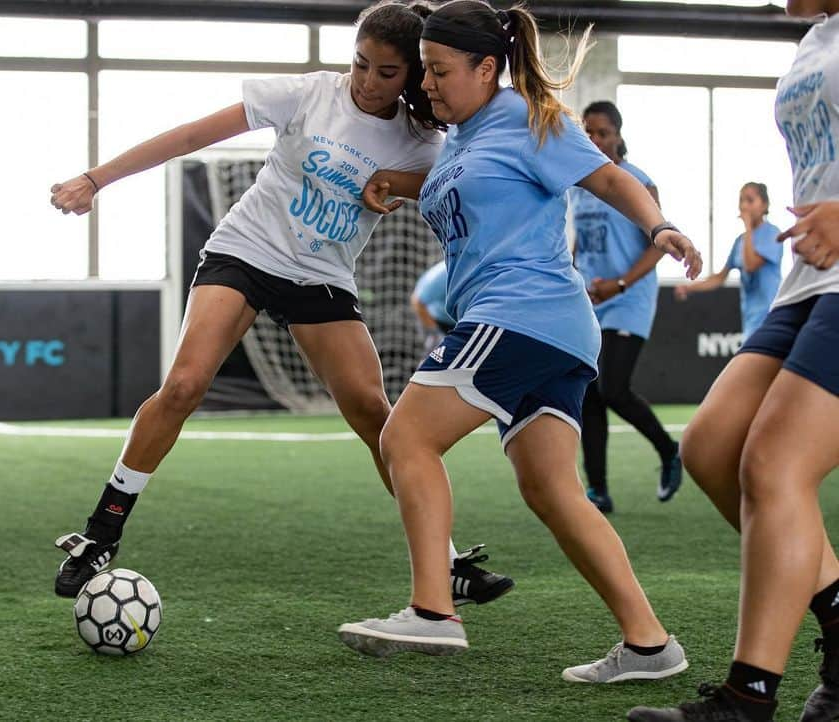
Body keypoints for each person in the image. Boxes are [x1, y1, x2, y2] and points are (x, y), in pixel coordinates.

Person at [47, 0, 512, 608]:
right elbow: (191, 135)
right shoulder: (307, 94)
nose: (368, 82)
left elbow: (466, 184)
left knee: (377, 414)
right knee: (184, 385)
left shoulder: (422, 140)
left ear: (414, 75)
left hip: (321, 276)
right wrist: (96, 178)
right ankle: (102, 533)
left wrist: (397, 185)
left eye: (386, 73)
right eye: (360, 64)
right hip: (245, 252)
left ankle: (445, 562)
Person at [336, 0, 701, 682]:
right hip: (549, 333)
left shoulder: (529, 120)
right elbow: (472, 188)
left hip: (520, 316)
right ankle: (652, 645)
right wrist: (399, 183)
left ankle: (433, 611)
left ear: (487, 67)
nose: (429, 84)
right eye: (425, 72)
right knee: (551, 489)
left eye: (441, 71)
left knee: (404, 438)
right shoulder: (463, 140)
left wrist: (658, 227)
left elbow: (612, 178)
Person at [627, 0, 839, 720]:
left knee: (775, 464)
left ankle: (747, 699)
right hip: (807, 280)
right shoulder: (817, 37)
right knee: (713, 447)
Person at [570, 100, 682, 515]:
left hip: (629, 299)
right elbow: (580, 243)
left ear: (618, 135)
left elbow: (661, 246)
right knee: (589, 395)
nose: (596, 140)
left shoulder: (638, 183)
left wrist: (620, 284)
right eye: (589, 132)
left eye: (603, 132)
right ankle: (598, 490)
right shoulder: (581, 184)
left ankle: (670, 450)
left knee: (612, 387)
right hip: (593, 301)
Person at [675, 182, 784, 337]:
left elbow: (751, 265)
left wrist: (748, 228)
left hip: (770, 317)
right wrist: (690, 287)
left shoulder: (773, 234)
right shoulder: (740, 241)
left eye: (750, 200)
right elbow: (720, 277)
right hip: (750, 319)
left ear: (764, 205)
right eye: (741, 200)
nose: (744, 206)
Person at [412, 260, 455, 356]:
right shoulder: (445, 275)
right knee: (436, 356)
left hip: (453, 322)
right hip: (432, 318)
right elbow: (417, 301)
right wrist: (435, 332)